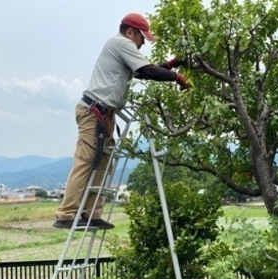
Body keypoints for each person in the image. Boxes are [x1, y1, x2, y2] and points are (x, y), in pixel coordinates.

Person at [53, 13, 191, 229]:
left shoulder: (121, 49)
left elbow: (142, 73)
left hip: (104, 114)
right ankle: (67, 214)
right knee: (86, 161)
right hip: (94, 112)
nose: (143, 42)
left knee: (103, 165)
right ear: (130, 32)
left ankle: (91, 214)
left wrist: (171, 64)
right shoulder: (121, 43)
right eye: (142, 37)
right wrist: (176, 77)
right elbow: (146, 70)